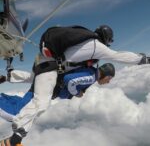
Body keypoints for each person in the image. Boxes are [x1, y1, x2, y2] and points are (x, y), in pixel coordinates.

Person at [1, 24, 150, 146]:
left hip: (44, 62)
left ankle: (6, 76)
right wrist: (144, 59)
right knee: (40, 103)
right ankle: (14, 140)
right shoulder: (96, 46)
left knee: (33, 85)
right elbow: (119, 56)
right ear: (107, 39)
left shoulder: (83, 43)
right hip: (50, 65)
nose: (108, 45)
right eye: (109, 42)